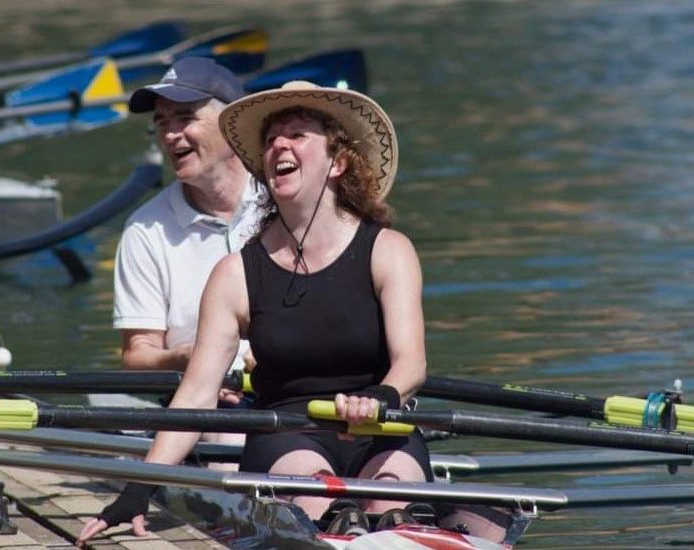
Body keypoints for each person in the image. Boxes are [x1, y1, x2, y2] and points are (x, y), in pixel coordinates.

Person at [78, 81, 480, 545]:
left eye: (298, 134)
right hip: (287, 432)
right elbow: (195, 395)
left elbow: (412, 363)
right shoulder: (235, 275)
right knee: (328, 511)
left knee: (395, 513)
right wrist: (138, 489)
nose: (279, 146)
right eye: (271, 140)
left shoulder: (388, 251)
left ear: (338, 161)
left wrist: (382, 396)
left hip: (381, 427)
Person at [104, 56, 261, 450]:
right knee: (230, 438)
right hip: (205, 401)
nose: (171, 135)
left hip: (294, 386)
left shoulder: (287, 200)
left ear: (234, 123)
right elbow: (137, 356)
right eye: (161, 122)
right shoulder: (145, 230)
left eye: (184, 117)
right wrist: (189, 359)